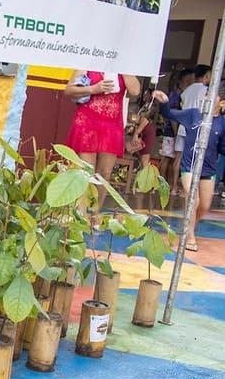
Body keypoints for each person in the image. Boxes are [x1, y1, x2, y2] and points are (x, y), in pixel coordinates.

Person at [156, 86, 225, 252]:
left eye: (211, 95)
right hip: (189, 166)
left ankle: (189, 225)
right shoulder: (193, 114)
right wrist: (164, 103)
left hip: (208, 170)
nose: (206, 97)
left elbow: (222, 147)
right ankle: (190, 235)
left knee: (205, 206)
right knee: (193, 200)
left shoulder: (222, 123)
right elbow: (169, 114)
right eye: (206, 94)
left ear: (221, 103)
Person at [64, 71, 140, 207]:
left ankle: (94, 213)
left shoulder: (124, 68)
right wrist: (94, 89)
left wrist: (125, 67)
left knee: (105, 173)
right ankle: (81, 215)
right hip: (87, 121)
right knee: (86, 171)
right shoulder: (91, 62)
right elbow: (68, 90)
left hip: (112, 124)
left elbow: (135, 91)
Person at [160, 69, 194, 196]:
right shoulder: (176, 95)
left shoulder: (182, 93)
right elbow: (173, 117)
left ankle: (167, 184)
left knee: (171, 158)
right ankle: (162, 183)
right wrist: (175, 132)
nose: (191, 80)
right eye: (189, 78)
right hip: (172, 131)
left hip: (175, 130)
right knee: (168, 158)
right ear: (182, 79)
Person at [130, 89, 159, 176]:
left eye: (146, 94)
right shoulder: (145, 105)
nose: (144, 96)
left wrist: (136, 133)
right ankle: (142, 175)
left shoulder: (152, 106)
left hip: (147, 130)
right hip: (142, 129)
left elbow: (145, 120)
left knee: (145, 157)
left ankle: (147, 180)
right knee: (139, 153)